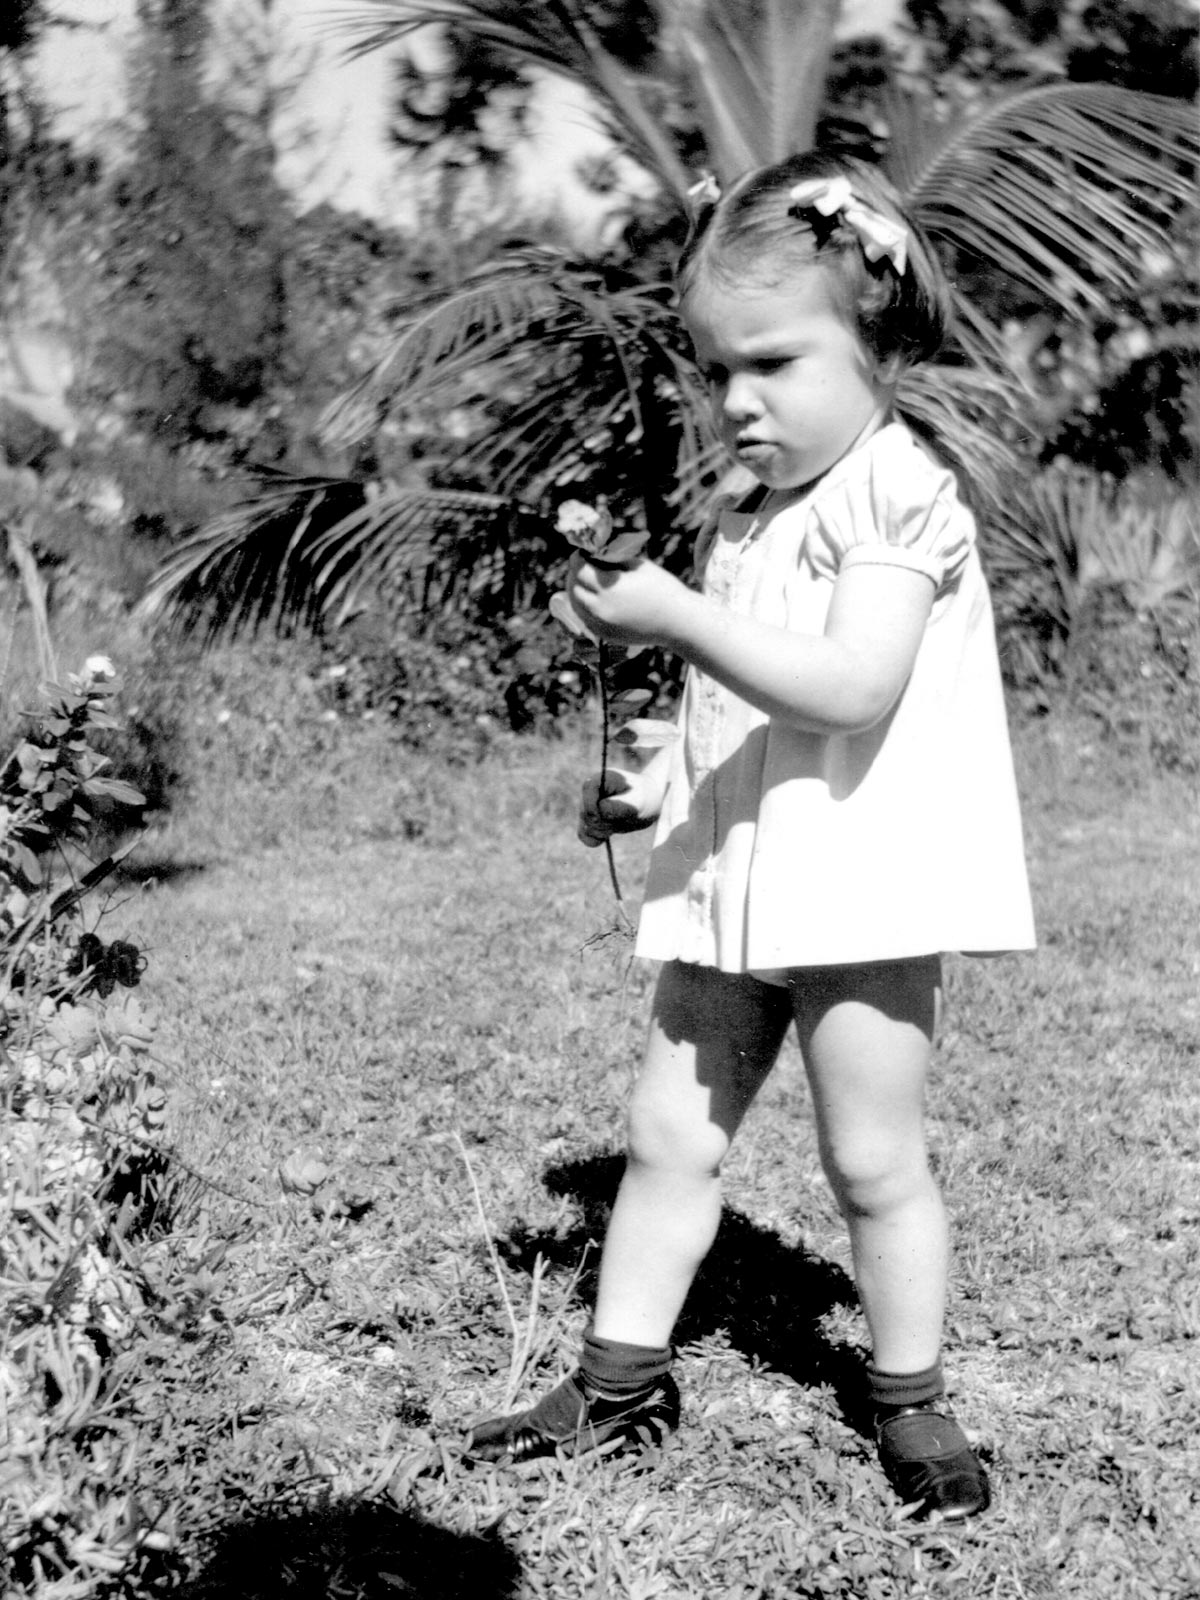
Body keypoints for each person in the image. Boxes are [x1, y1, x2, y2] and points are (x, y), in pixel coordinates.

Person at [466, 150, 1036, 1522]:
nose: (737, 401)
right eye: (718, 368)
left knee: (871, 1159)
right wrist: (661, 778)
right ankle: (621, 1381)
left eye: (774, 362)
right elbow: (746, 707)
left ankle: (909, 1395)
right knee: (666, 1133)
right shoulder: (749, 516)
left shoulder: (900, 494)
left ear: (878, 339)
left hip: (861, 884)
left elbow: (849, 690)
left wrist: (674, 615)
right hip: (737, 882)